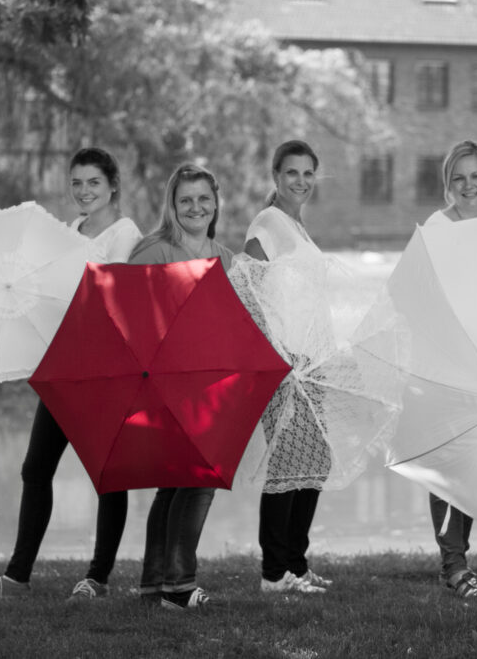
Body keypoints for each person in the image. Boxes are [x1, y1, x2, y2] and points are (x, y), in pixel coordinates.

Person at [0, 147, 143, 601]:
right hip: (63, 367)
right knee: (35, 468)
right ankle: (16, 577)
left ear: (112, 186)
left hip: (105, 372)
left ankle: (97, 579)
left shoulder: (125, 233)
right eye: (77, 183)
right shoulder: (71, 231)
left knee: (108, 475)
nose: (83, 192)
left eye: (93, 184)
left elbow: (105, 296)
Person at [128, 162, 234, 612]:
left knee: (175, 485)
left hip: (210, 384)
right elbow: (128, 318)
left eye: (203, 199)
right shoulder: (152, 253)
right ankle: (180, 586)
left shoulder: (225, 257)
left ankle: (155, 585)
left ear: (216, 204)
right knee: (197, 481)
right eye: (186, 199)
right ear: (172, 205)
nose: (196, 207)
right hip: (164, 385)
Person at [243, 140, 332, 595]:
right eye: (291, 172)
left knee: (314, 463)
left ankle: (296, 565)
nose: (300, 181)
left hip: (311, 362)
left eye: (308, 173)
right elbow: (249, 292)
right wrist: (278, 357)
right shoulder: (267, 224)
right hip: (284, 364)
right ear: (276, 176)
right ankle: (274, 574)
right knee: (286, 467)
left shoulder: (296, 225)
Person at [421, 140, 477, 598]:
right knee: (451, 462)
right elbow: (424, 295)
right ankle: (453, 565)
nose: (468, 186)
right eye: (459, 178)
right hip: (450, 362)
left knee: (475, 464)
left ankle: (458, 558)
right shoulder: (437, 227)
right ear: (448, 185)